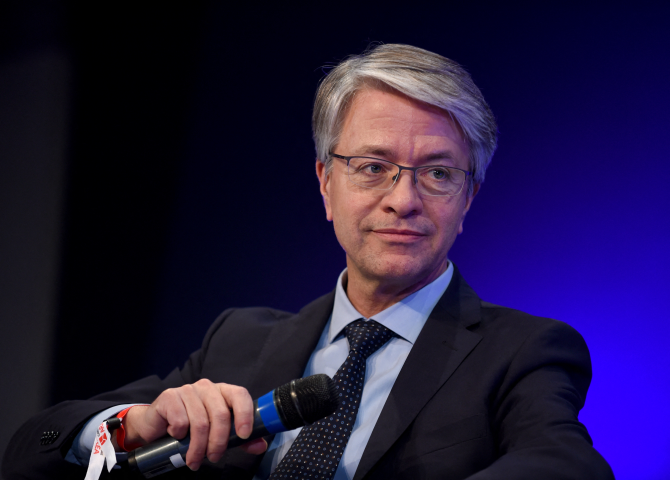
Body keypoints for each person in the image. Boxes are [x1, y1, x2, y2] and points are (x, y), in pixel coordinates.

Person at [2, 44, 614, 479]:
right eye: (373, 167)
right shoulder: (238, 341)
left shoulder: (522, 352)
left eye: (437, 173)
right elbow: (35, 446)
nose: (403, 199)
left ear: (468, 198)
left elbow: (566, 464)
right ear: (326, 183)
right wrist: (135, 425)